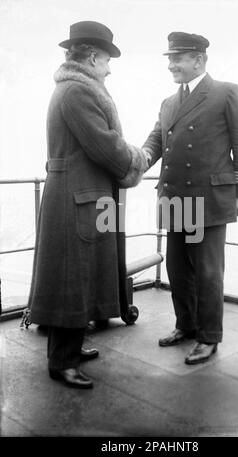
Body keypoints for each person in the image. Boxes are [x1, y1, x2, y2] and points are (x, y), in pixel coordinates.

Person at [27, 21, 148, 388]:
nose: (110, 68)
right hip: (76, 199)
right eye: (108, 60)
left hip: (81, 196)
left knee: (79, 277)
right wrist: (138, 158)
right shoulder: (78, 93)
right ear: (93, 57)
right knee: (71, 279)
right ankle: (61, 362)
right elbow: (105, 147)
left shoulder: (73, 89)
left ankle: (72, 349)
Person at [143, 32, 238, 364]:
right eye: (169, 60)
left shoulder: (226, 93)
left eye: (176, 59)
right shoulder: (168, 102)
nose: (171, 66)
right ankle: (187, 326)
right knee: (178, 268)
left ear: (199, 60)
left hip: (208, 199)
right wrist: (129, 164)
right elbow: (154, 142)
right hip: (176, 197)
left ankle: (208, 337)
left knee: (207, 272)